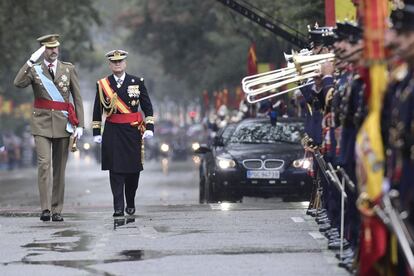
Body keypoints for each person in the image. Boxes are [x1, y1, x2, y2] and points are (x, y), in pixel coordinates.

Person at [14, 34, 84, 222]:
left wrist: (80, 125)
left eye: (56, 47)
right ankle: (45, 208)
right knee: (44, 165)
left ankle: (57, 209)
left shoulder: (68, 69)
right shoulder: (35, 70)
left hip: (63, 123)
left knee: (59, 169)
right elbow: (18, 83)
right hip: (41, 124)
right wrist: (30, 60)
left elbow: (77, 98)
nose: (53, 51)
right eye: (49, 48)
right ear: (42, 50)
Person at [92, 49, 154, 217]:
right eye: (114, 62)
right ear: (110, 64)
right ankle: (118, 207)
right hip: (112, 131)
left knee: (133, 171)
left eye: (120, 61)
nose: (117, 64)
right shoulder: (103, 84)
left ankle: (131, 201)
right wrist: (96, 131)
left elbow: (147, 106)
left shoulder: (137, 82)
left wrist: (149, 128)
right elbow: (97, 109)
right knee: (116, 170)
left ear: (125, 63)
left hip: (133, 131)